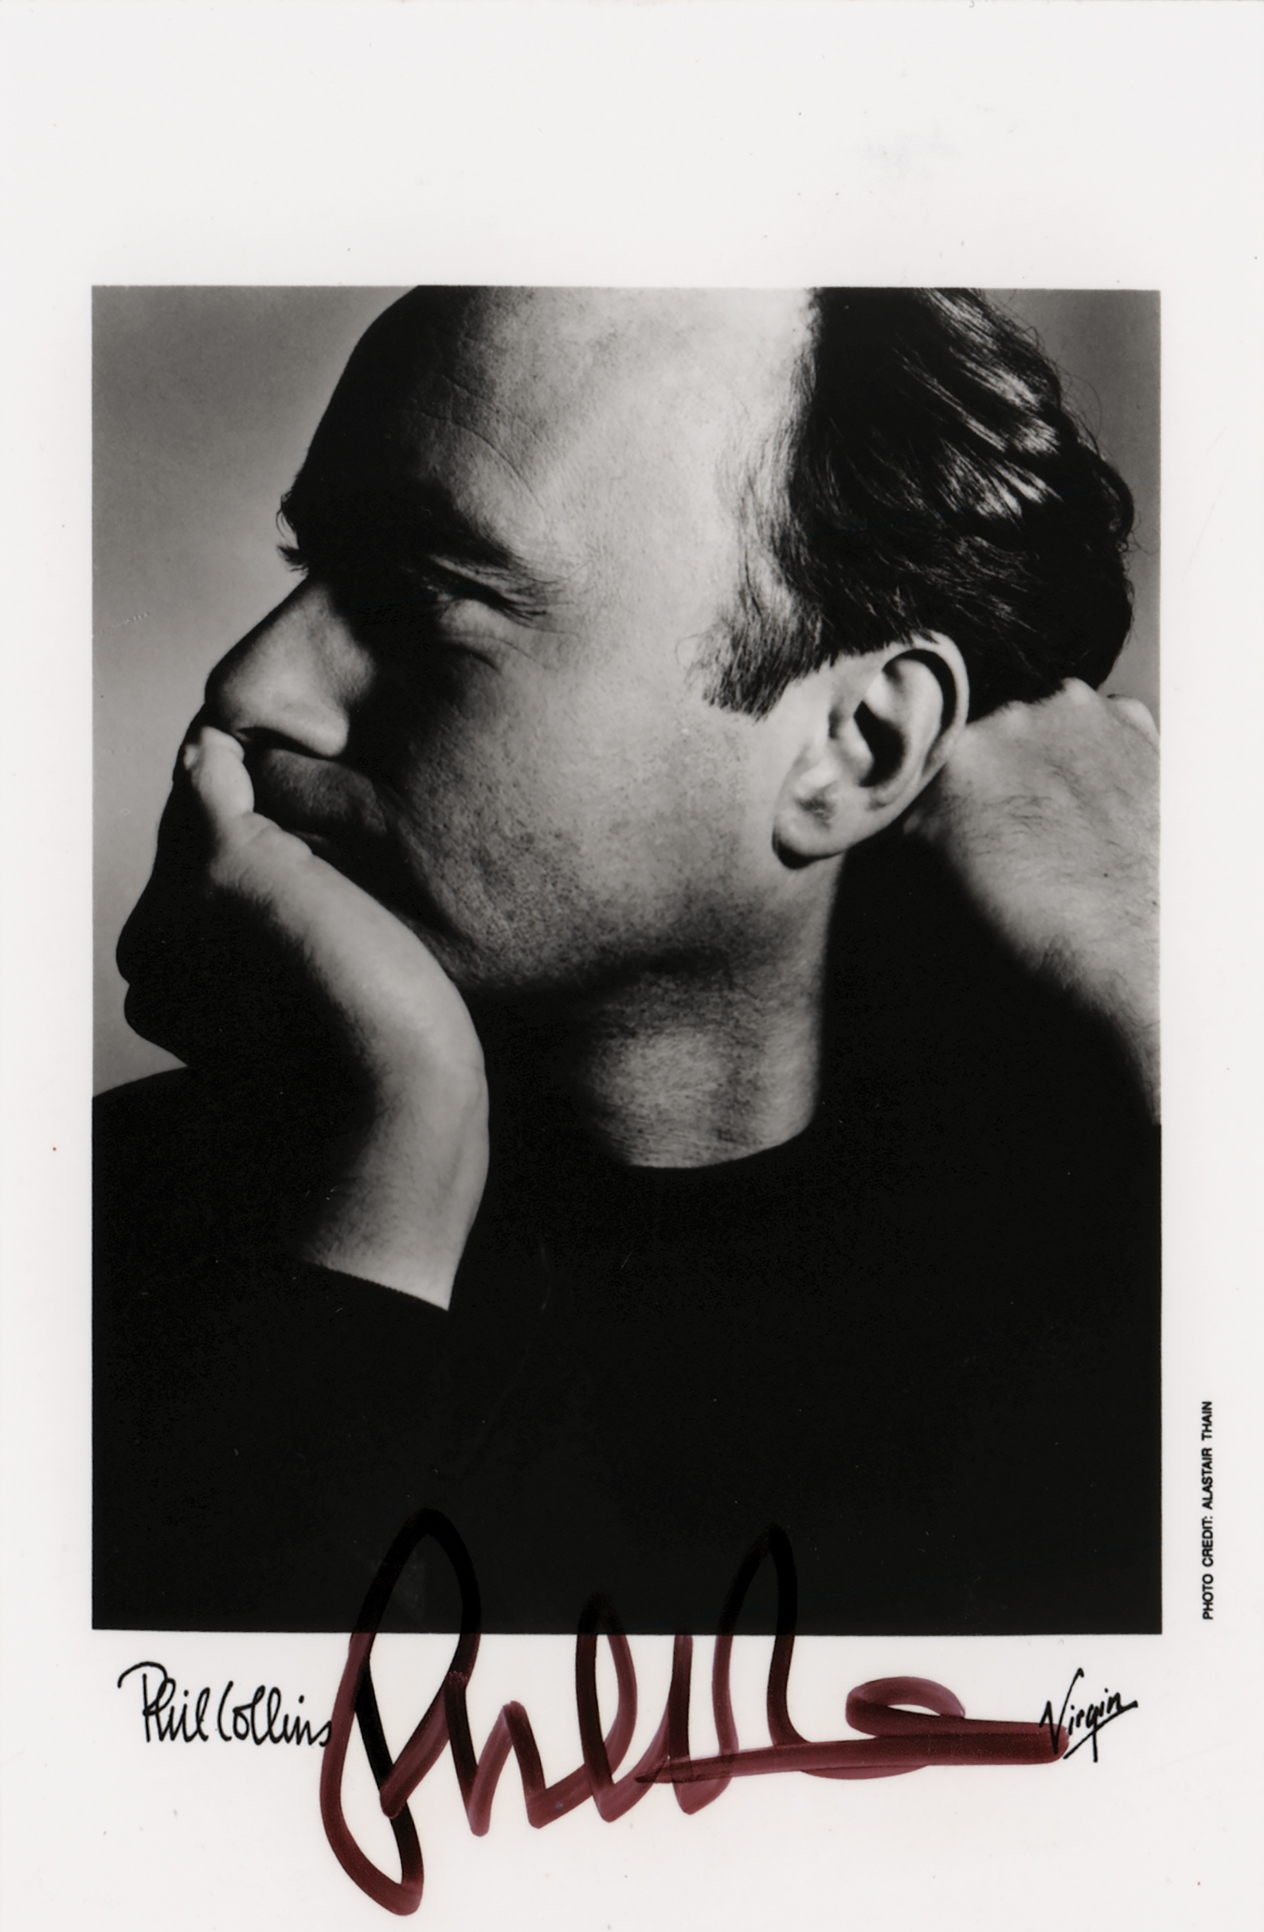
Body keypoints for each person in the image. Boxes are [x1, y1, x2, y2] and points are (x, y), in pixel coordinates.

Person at [94, 288, 1159, 1638]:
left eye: (423, 596)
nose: (250, 687)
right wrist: (386, 1164)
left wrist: (1173, 1002)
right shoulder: (98, 1241)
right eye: (312, 563)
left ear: (856, 751)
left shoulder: (1120, 1296)